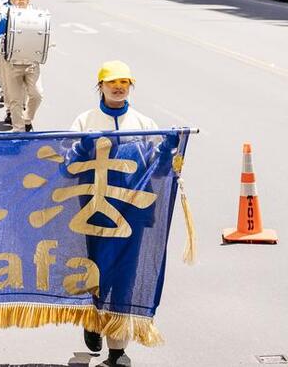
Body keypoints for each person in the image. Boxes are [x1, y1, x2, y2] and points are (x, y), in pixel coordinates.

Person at [69, 60, 167, 367]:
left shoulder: (146, 124)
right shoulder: (84, 122)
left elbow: (161, 169)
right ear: (100, 86)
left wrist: (169, 151)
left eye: (125, 82)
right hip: (94, 214)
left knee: (124, 278)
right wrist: (80, 150)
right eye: (112, 82)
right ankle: (93, 320)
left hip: (132, 217)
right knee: (97, 274)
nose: (118, 87)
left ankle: (117, 350)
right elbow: (66, 166)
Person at [0, 0, 43, 131]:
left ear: (28, 0)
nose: (21, 1)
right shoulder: (7, 18)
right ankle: (18, 130)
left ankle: (27, 119)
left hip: (31, 63)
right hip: (13, 64)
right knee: (16, 100)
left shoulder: (36, 18)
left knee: (37, 95)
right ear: (13, 1)